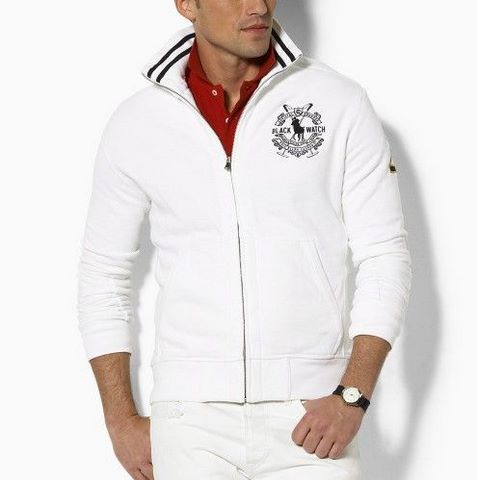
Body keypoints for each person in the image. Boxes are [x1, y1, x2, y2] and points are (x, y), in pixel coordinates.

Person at [76, 1, 413, 479]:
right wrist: (120, 420)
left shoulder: (337, 102)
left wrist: (352, 395)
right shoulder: (138, 122)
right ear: (187, 4)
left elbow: (384, 256)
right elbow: (103, 276)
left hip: (312, 417)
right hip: (191, 420)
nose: (258, 5)